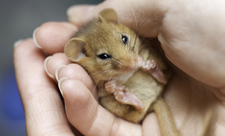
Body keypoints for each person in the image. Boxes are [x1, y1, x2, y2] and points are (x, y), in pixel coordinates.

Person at [14, 0, 225, 135]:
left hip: (157, 86)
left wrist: (151, 67)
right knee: (107, 96)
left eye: (124, 39)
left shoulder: (137, 46)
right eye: (105, 56)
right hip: (135, 106)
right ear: (81, 54)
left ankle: (157, 74)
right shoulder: (96, 72)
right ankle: (132, 101)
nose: (128, 60)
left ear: (113, 20)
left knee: (146, 60)